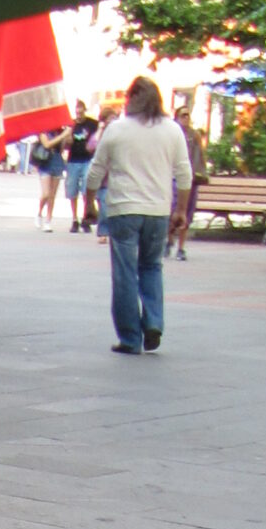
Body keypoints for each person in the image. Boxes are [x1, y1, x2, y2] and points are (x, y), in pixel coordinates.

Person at [83, 76, 192, 354]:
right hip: (158, 211)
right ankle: (153, 321)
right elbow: (184, 173)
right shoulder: (173, 130)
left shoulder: (116, 129)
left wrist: (90, 204)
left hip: (123, 210)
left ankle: (130, 338)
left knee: (125, 273)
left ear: (131, 99)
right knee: (152, 266)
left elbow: (95, 171)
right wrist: (180, 210)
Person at [166, 101, 209, 258]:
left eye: (188, 115)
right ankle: (169, 240)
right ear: (176, 118)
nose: (186, 118)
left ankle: (181, 248)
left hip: (190, 180)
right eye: (183, 115)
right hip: (173, 178)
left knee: (186, 214)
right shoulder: (171, 135)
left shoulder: (194, 135)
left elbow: (200, 157)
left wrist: (199, 174)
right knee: (172, 212)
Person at [57, 101, 98, 234]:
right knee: (72, 190)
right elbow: (65, 146)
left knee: (86, 190)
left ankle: (86, 217)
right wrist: (67, 138)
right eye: (77, 113)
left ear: (85, 110)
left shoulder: (92, 124)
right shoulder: (71, 124)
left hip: (87, 160)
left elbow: (97, 139)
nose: (79, 115)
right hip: (73, 160)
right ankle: (75, 219)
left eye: (81, 112)